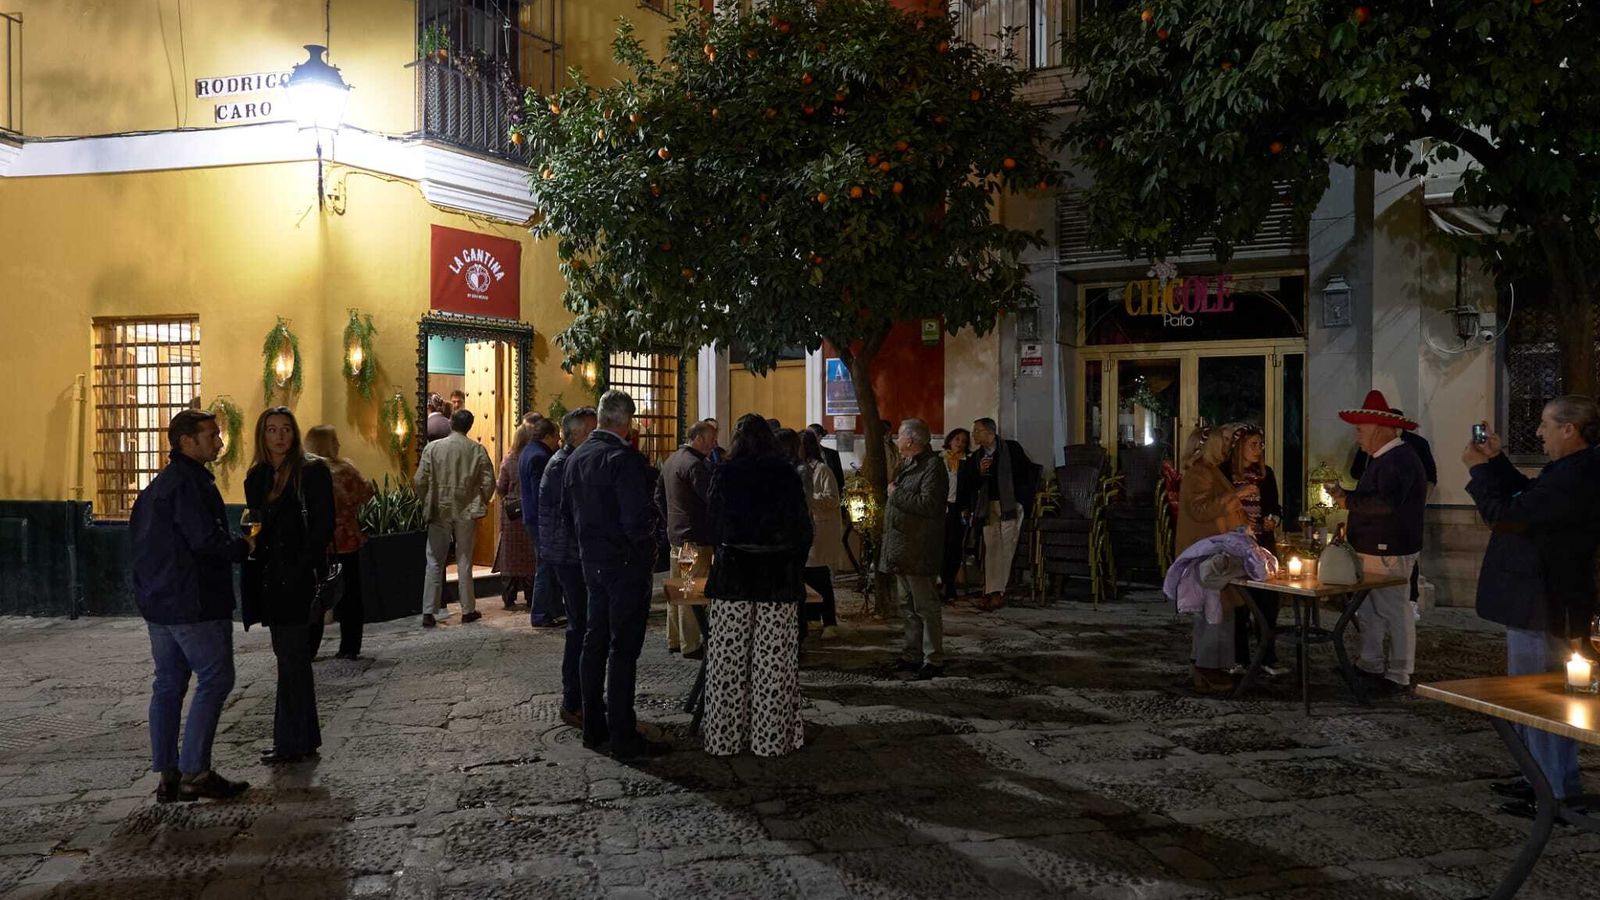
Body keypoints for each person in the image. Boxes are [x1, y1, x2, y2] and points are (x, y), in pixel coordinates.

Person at [1464, 396, 1600, 819]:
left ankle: (1554, 792)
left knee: (1540, 699)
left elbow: (1507, 515)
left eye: (1545, 424)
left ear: (1569, 429)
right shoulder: (1571, 470)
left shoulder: (1577, 475)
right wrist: (1496, 460)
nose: (1539, 432)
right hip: (1541, 599)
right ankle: (1539, 778)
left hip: (1543, 602)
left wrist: (1478, 471)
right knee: (1535, 695)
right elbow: (1528, 495)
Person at [129, 409, 253, 802]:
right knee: (216, 678)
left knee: (168, 684)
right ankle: (195, 771)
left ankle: (168, 774)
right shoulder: (190, 485)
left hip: (159, 602)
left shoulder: (159, 486)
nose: (219, 442)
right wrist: (243, 547)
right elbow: (205, 540)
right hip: (193, 600)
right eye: (211, 435)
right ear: (187, 441)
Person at [562, 390, 669, 760]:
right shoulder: (623, 460)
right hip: (624, 565)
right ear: (626, 422)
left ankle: (593, 726)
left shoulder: (576, 458)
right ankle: (623, 734)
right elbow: (636, 520)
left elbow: (565, 514)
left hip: (592, 562)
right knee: (622, 648)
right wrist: (648, 550)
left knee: (594, 641)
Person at [703, 415, 813, 755]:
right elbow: (802, 530)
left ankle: (724, 739)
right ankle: (770, 740)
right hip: (777, 579)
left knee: (727, 662)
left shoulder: (724, 473)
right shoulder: (786, 475)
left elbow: (712, 525)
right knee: (773, 663)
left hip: (734, 578)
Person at [242, 407, 335, 765]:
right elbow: (256, 524)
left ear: (294, 434)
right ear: (262, 436)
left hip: (299, 578)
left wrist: (303, 566)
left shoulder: (312, 471)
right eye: (271, 430)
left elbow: (322, 525)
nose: (279, 437)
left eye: (285, 429)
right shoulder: (257, 477)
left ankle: (291, 742)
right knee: (288, 658)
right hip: (271, 580)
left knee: (293, 658)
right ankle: (301, 739)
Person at [1327, 390, 1428, 696]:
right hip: (1374, 546)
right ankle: (1370, 663)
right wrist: (1348, 498)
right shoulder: (1386, 459)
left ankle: (1399, 673)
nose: (1356, 436)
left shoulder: (1398, 460)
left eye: (1360, 430)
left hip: (1389, 548)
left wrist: (1347, 500)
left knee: (1394, 610)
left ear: (1380, 430)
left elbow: (1385, 503)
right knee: (1370, 609)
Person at [1175, 424, 1252, 694]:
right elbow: (1200, 510)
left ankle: (1207, 665)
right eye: (1224, 441)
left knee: (1218, 610)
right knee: (1215, 611)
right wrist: (1235, 496)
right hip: (1208, 555)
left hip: (1215, 552)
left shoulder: (1210, 471)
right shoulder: (1199, 473)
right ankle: (1209, 667)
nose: (1228, 446)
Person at [540, 406, 598, 729]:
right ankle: (573, 699)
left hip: (569, 554)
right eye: (592, 432)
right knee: (579, 626)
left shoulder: (565, 461)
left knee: (582, 624)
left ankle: (582, 696)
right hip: (569, 556)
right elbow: (572, 514)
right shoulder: (564, 465)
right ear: (577, 434)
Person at [880, 418, 949, 679]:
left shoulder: (932, 467)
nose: (897, 439)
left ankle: (933, 658)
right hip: (902, 548)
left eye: (900, 435)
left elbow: (930, 504)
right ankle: (912, 653)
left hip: (919, 548)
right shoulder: (908, 464)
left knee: (925, 606)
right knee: (907, 606)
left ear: (910, 440)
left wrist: (896, 494)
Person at [415, 408, 496, 628]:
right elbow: (489, 481)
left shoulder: (433, 448)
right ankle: (468, 609)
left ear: (451, 423)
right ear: (469, 426)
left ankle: (428, 611)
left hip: (439, 508)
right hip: (466, 509)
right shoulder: (476, 449)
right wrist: (479, 500)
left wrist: (428, 499)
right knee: (465, 560)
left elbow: (420, 480)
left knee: (434, 559)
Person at [303, 425, 373, 661]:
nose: (339, 444)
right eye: (335, 440)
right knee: (350, 594)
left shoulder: (303, 471)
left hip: (316, 542)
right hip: (346, 539)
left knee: (316, 595)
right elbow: (365, 493)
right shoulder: (345, 470)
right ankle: (350, 646)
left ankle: (309, 647)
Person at [1221, 424, 1285, 676]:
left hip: (1262, 545)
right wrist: (1238, 494)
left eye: (1261, 445)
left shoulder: (1266, 474)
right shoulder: (1225, 473)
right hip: (1237, 544)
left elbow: (1274, 507)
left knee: (1267, 602)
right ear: (1239, 448)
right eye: (1253, 445)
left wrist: (1273, 520)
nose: (1259, 449)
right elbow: (1218, 505)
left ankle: (1267, 656)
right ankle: (1239, 657)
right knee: (1239, 603)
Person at [959, 417, 1037, 611]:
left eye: (977, 431)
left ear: (990, 432)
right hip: (988, 506)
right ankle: (990, 589)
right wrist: (979, 471)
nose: (974, 435)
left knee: (1006, 547)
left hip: (1010, 504)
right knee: (992, 547)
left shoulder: (1010, 448)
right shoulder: (977, 457)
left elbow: (1026, 473)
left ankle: (998, 592)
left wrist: (1022, 500)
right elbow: (970, 483)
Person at [657, 420, 717, 658]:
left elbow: (658, 496)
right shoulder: (695, 465)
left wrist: (672, 521)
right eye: (711, 439)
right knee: (690, 589)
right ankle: (690, 643)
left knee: (677, 586)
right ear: (699, 438)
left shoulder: (672, 460)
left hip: (677, 537)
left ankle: (674, 638)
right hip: (693, 539)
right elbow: (710, 499)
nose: (714, 444)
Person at [519, 418, 563, 626]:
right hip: (540, 519)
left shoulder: (527, 451)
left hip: (532, 517)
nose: (558, 442)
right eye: (556, 437)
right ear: (547, 436)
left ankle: (552, 609)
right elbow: (541, 492)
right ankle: (540, 613)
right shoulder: (539, 456)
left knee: (547, 564)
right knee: (545, 565)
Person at [799, 428, 843, 638]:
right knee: (808, 575)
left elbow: (832, 498)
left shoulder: (822, 469)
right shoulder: (800, 469)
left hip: (820, 529)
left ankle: (829, 621)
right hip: (806, 529)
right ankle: (813, 618)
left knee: (820, 576)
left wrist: (810, 498)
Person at [494, 423, 539, 611]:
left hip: (512, 514)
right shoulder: (534, 458)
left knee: (510, 556)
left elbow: (501, 487)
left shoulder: (509, 460)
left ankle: (509, 597)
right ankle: (531, 597)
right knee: (530, 557)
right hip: (530, 510)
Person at [939, 427, 972, 602]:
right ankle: (940, 580)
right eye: (957, 439)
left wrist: (967, 507)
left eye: (963, 441)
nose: (959, 444)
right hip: (940, 507)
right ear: (950, 440)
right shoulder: (940, 459)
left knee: (954, 545)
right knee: (940, 545)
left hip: (957, 508)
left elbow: (970, 487)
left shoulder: (968, 462)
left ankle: (949, 582)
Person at [808, 422, 847, 503]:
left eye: (811, 435)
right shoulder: (805, 454)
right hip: (812, 496)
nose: (807, 438)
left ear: (819, 437)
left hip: (829, 495)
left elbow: (839, 478)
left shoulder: (832, 454)